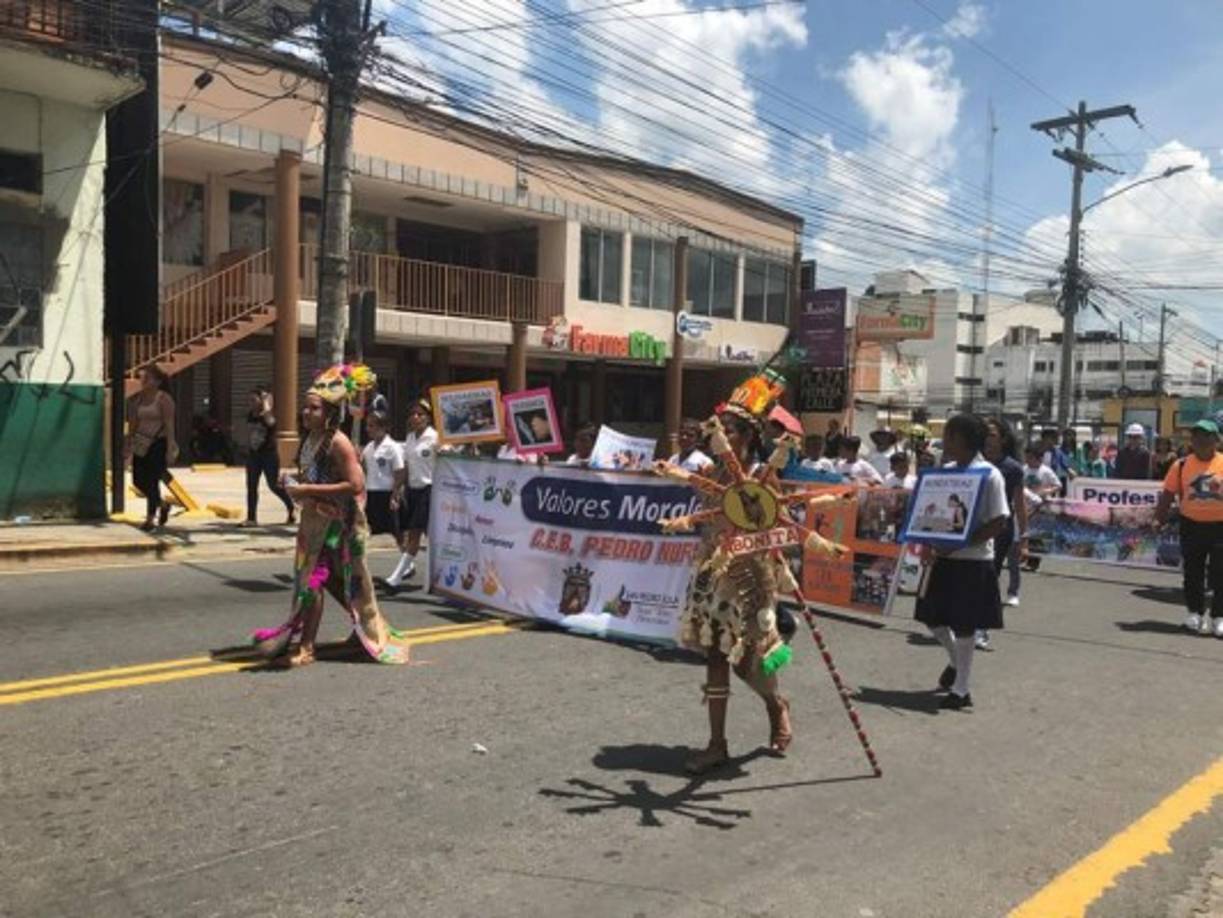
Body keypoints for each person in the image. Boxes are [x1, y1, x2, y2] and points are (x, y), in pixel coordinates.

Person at [250, 363, 410, 667]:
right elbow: (312, 477)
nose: (306, 413)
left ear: (329, 413)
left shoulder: (338, 442)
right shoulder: (309, 439)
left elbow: (356, 484)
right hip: (313, 523)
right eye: (305, 408)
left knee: (314, 581)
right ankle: (365, 628)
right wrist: (293, 484)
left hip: (338, 527)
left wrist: (308, 488)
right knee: (338, 584)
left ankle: (307, 646)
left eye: (313, 409)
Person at [677, 403, 795, 773]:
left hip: (750, 581)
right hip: (713, 577)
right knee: (714, 654)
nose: (721, 435)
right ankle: (717, 744)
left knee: (749, 662)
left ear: (746, 438)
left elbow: (784, 526)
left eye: (729, 430)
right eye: (719, 428)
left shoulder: (763, 475)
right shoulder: (710, 473)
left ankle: (775, 705)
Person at [914, 413, 1009, 710]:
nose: (947, 442)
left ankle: (961, 689)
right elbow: (932, 516)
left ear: (966, 440)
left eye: (951, 436)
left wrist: (961, 542)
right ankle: (957, 662)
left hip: (973, 561)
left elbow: (999, 521)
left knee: (965, 625)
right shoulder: (946, 471)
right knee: (932, 617)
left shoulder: (990, 474)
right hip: (942, 558)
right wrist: (930, 543)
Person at [1154, 419, 1223, 638]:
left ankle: (1218, 617)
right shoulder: (1181, 465)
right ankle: (1195, 613)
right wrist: (1159, 518)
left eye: (1206, 436)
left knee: (1220, 572)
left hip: (1220, 527)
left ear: (1217, 440)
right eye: (1197, 436)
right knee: (1193, 572)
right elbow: (1167, 494)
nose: (1201, 440)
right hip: (1191, 525)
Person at [982, 418, 1026, 653]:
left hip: (1000, 530)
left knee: (990, 578)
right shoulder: (974, 463)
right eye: (985, 434)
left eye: (992, 435)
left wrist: (1024, 538)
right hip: (973, 529)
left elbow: (1019, 506)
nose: (987, 439)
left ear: (1003, 439)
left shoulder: (1013, 468)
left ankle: (982, 628)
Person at [388, 399, 437, 588]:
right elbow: (406, 467)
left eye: (421, 414)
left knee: (416, 534)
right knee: (426, 534)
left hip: (429, 490)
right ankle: (435, 577)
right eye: (413, 414)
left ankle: (396, 578)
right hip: (413, 491)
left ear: (429, 418)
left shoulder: (435, 438)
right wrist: (397, 489)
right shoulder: (409, 438)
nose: (416, 417)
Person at [126, 365, 179, 532]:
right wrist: (128, 443)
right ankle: (162, 504)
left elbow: (169, 425)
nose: (143, 381)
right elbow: (133, 424)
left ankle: (150, 519)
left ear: (157, 382)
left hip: (158, 443)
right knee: (138, 480)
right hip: (141, 442)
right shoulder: (138, 399)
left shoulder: (164, 399)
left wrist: (170, 446)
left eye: (147, 378)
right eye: (143, 378)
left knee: (152, 480)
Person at [243, 386, 295, 527]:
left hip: (269, 455)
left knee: (274, 485)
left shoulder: (268, 416)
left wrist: (267, 406)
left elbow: (271, 423)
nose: (251, 403)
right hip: (254, 455)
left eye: (254, 400)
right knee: (251, 486)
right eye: (250, 400)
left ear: (261, 401)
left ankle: (291, 507)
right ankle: (251, 518)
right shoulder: (250, 415)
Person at [361, 410, 403, 542]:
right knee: (368, 530)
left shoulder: (393, 447)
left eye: (372, 426)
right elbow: (365, 470)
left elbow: (400, 472)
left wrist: (395, 495)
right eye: (367, 425)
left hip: (387, 494)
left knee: (395, 531)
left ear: (383, 427)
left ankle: (407, 560)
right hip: (371, 494)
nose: (368, 429)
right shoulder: (368, 447)